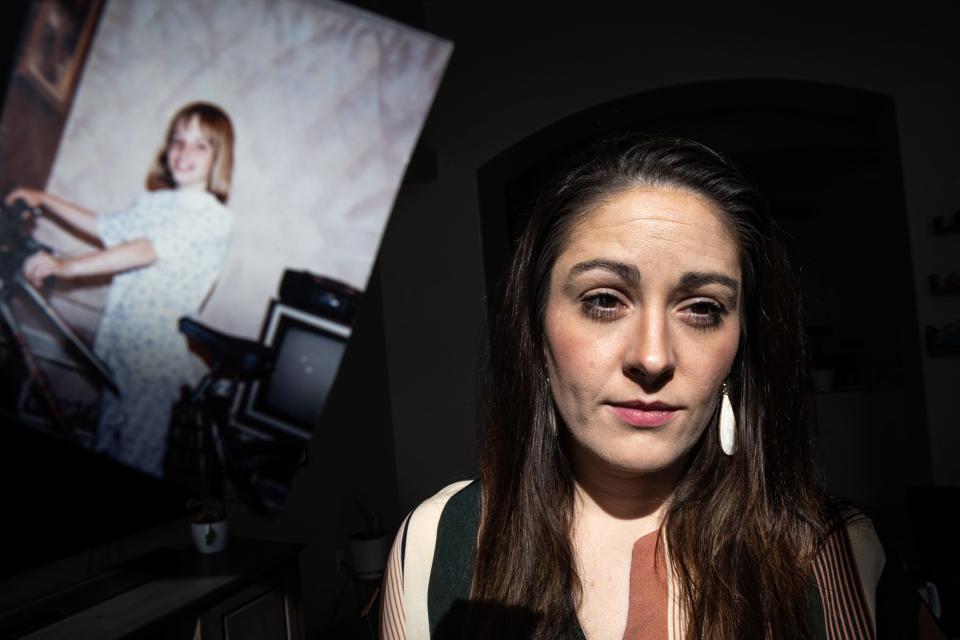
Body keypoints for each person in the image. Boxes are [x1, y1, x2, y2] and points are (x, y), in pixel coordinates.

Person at [379, 135, 944, 639]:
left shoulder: (840, 553)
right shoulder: (438, 541)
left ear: (741, 345)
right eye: (603, 300)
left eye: (702, 308)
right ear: (537, 330)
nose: (652, 357)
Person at [6, 101, 235, 478]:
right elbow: (105, 227)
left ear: (219, 157)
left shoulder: (212, 216)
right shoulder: (155, 202)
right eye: (178, 140)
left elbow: (144, 250)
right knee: (107, 443)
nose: (183, 152)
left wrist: (66, 267)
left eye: (200, 145)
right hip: (119, 342)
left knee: (137, 458)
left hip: (152, 355)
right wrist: (44, 199)